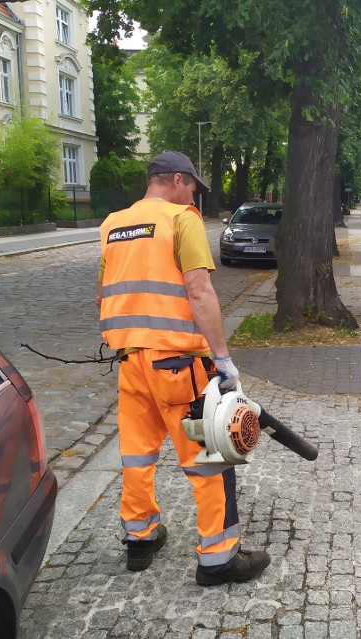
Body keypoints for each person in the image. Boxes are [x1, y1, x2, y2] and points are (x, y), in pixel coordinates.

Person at [96, 151, 269, 583]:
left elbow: (103, 297)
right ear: (176, 179)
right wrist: (223, 358)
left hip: (130, 364)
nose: (195, 196)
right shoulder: (181, 219)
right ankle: (218, 559)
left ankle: (140, 539)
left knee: (137, 455)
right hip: (177, 365)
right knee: (211, 455)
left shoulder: (112, 225)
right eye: (193, 186)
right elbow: (199, 291)